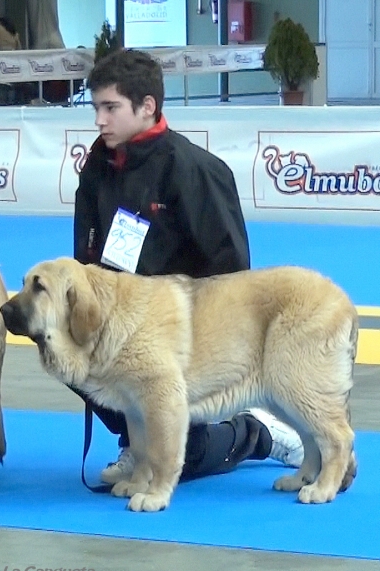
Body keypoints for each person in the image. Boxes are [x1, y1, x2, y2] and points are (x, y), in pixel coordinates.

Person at [73, 48, 303, 486]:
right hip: (121, 327)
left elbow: (233, 274)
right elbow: (86, 256)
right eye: (96, 108)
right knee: (64, 345)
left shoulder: (196, 170)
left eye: (110, 108)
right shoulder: (97, 165)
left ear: (147, 107)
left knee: (183, 455)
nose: (99, 121)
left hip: (189, 338)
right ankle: (136, 443)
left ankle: (257, 434)